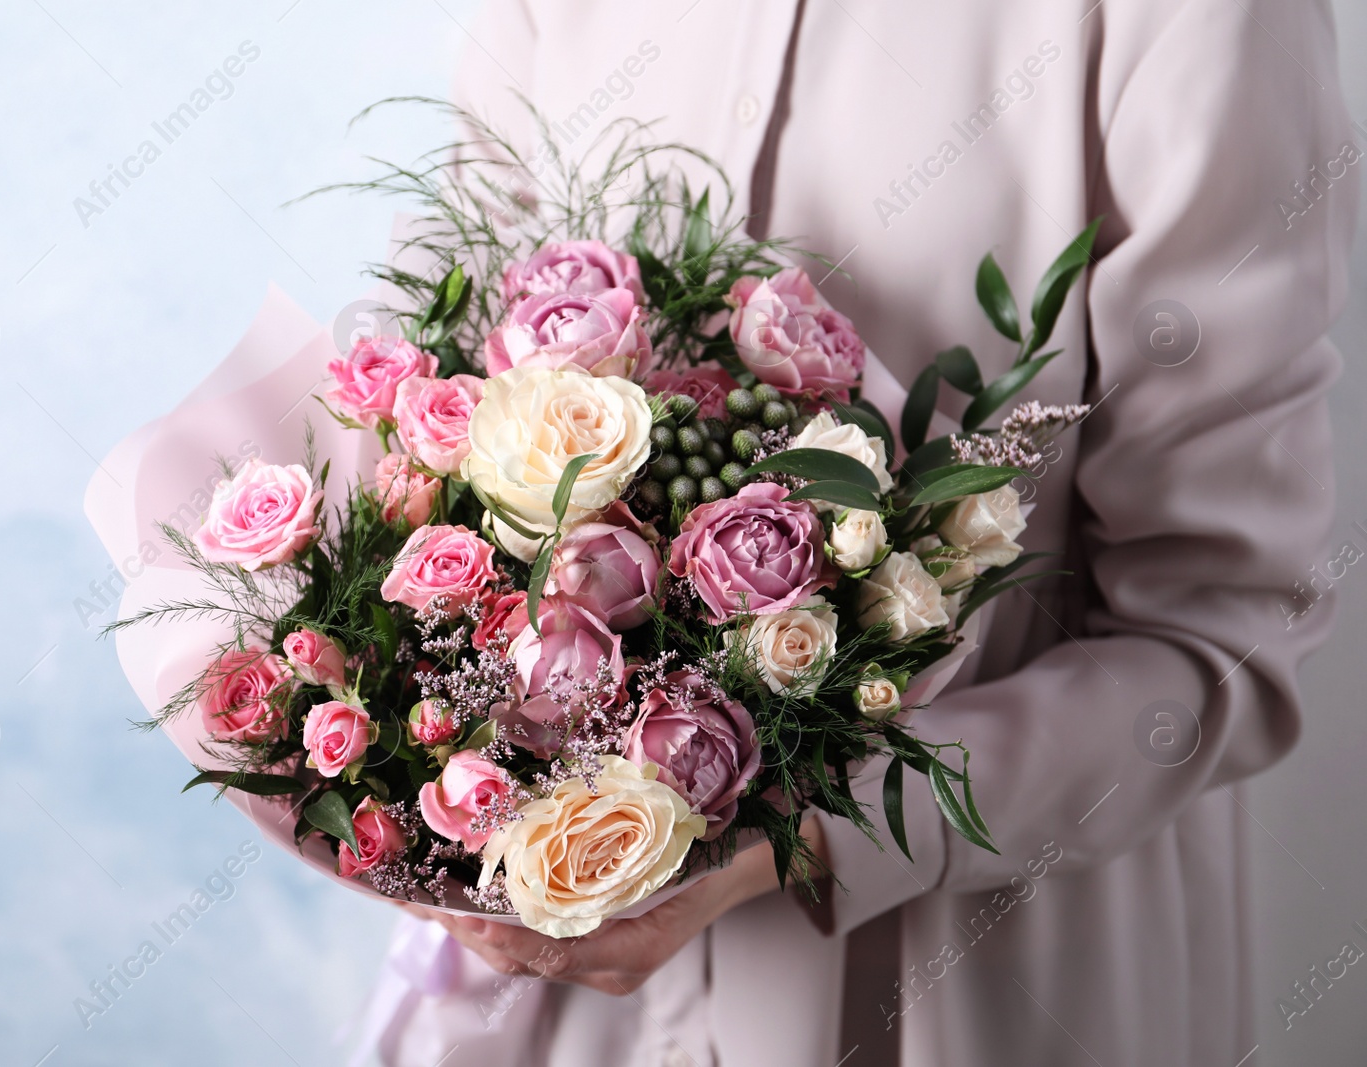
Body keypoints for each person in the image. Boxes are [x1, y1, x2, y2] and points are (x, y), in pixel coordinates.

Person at [87, 1, 1356, 1064]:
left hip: (987, 981)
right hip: (549, 989)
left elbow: (1217, 639)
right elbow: (442, 385)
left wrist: (803, 842)